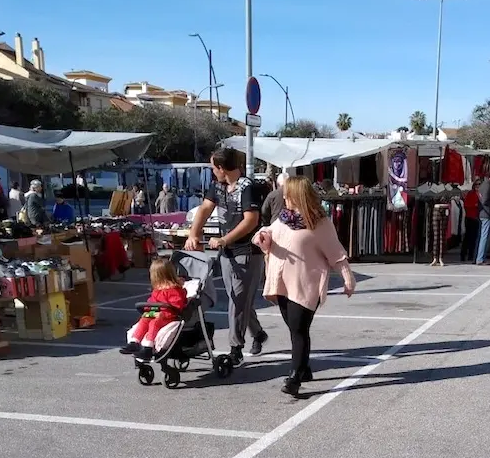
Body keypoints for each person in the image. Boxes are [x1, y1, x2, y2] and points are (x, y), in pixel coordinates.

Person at [252, 176, 355, 396]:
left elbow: (335, 253)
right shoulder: (283, 218)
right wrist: (262, 238)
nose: (284, 197)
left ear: (297, 195)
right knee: (295, 329)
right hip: (281, 283)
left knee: (299, 330)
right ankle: (304, 367)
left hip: (305, 285)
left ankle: (294, 378)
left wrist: (348, 278)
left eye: (287, 193)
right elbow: (268, 232)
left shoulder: (320, 222)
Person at [184, 147, 267, 366]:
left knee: (238, 301)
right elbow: (204, 209)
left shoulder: (248, 187)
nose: (213, 171)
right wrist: (193, 233)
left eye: (214, 167)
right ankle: (257, 333)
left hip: (247, 252)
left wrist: (225, 239)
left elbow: (251, 220)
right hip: (227, 252)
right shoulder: (218, 186)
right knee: (238, 299)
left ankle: (235, 348)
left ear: (222, 168)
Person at [119, 258, 188, 361]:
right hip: (158, 312)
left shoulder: (175, 290)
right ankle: (134, 341)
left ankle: (148, 346)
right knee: (145, 317)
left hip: (169, 314)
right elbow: (152, 301)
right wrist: (148, 307)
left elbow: (177, 306)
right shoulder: (158, 290)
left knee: (154, 322)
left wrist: (161, 308)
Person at [461, 179, 481, 262]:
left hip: (477, 218)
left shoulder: (481, 194)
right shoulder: (471, 194)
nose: (478, 186)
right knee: (467, 237)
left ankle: (471, 255)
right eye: (476, 184)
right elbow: (466, 205)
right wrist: (475, 205)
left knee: (475, 238)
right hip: (470, 217)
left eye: (479, 184)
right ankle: (463, 254)